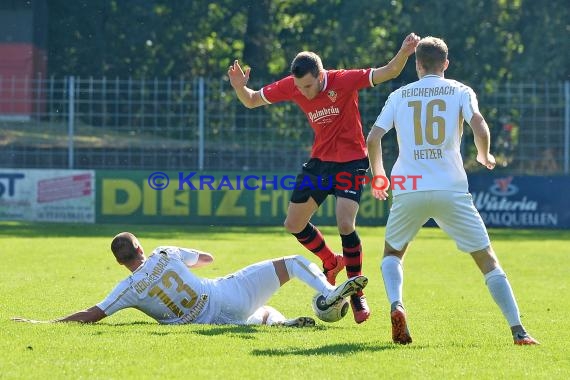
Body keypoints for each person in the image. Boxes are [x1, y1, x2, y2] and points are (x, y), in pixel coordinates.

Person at [227, 33, 420, 324]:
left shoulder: (344, 80)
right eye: (299, 86)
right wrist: (240, 87)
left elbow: (389, 71)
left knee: (345, 222)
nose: (303, 92)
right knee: (293, 224)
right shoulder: (292, 86)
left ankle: (356, 294)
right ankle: (331, 261)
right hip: (319, 164)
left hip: (352, 161)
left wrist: (405, 51)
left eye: (308, 85)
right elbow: (252, 100)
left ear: (320, 75)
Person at [366, 36, 539, 345]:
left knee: (392, 253)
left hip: (409, 185)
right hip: (450, 186)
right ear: (445, 64)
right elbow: (478, 122)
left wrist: (379, 175)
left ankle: (397, 305)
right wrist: (483, 154)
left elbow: (374, 137)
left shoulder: (400, 95)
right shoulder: (460, 90)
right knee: (487, 260)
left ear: (417, 65)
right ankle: (518, 330)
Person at [12, 232, 367, 326]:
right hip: (225, 296)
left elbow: (94, 314)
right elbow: (207, 258)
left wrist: (45, 321)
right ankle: (326, 295)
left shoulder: (128, 288)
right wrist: (185, 265)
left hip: (210, 323)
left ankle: (283, 323)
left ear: (121, 262)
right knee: (290, 262)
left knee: (262, 314)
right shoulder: (165, 253)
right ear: (140, 247)